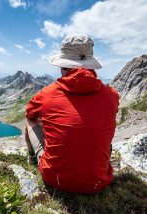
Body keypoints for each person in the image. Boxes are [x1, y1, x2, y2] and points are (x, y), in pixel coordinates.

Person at [25, 34, 119, 193]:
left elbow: (30, 113)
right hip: (98, 182)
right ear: (91, 66)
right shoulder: (112, 95)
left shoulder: (46, 95)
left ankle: (32, 157)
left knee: (30, 120)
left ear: (63, 67)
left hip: (54, 179)